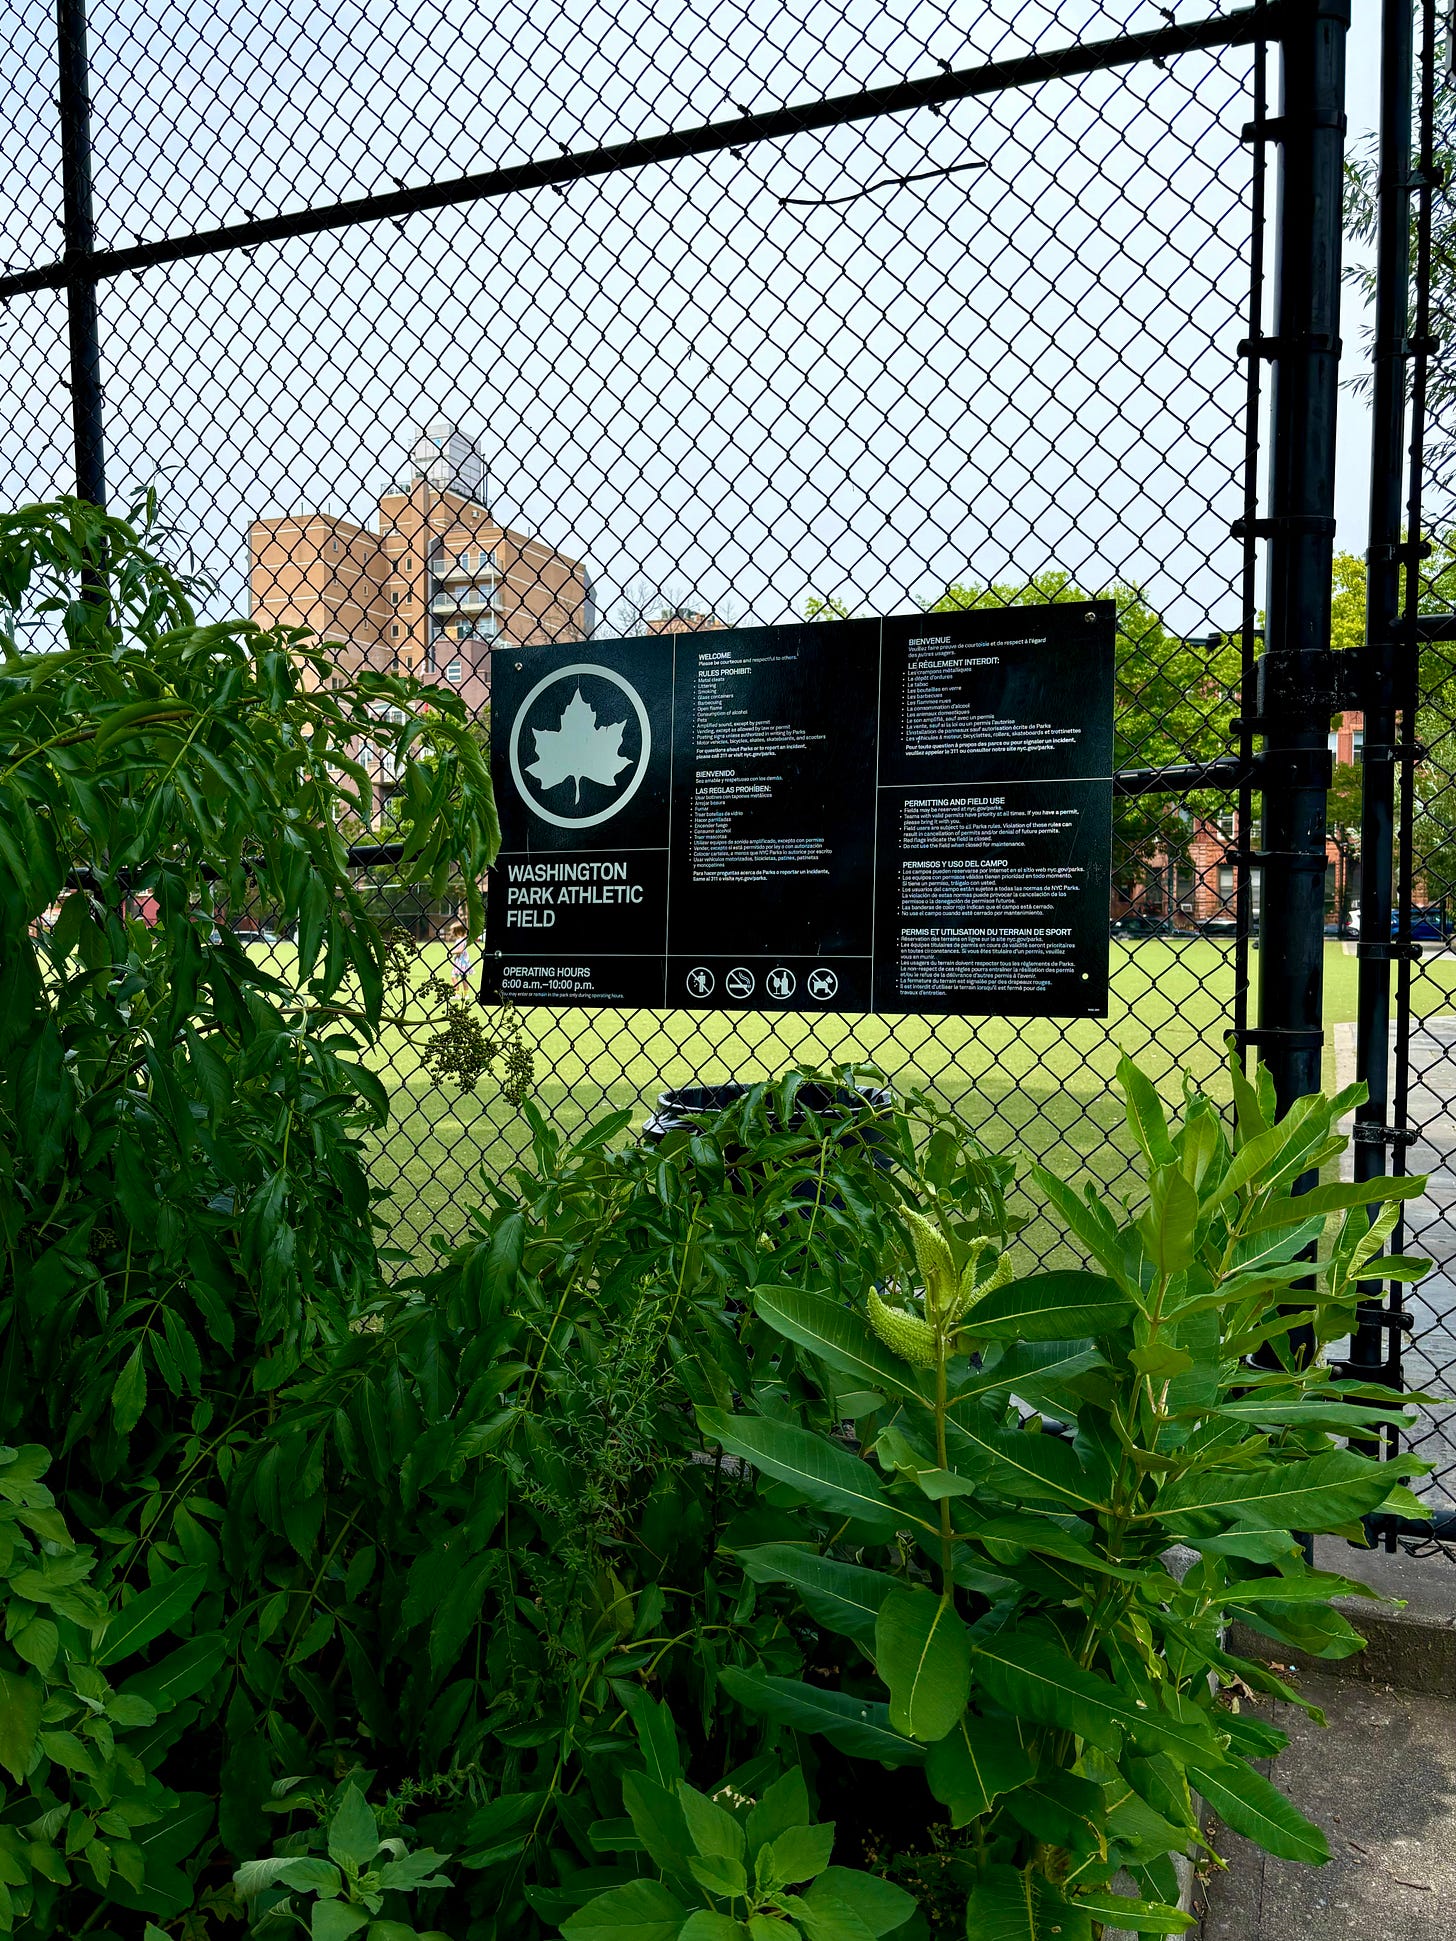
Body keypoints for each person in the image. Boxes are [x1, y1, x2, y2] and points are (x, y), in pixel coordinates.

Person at [446, 920, 472, 994]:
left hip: (461, 962)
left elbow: (460, 950)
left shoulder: (461, 940)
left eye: (453, 931)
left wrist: (451, 952)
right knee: (463, 979)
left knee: (454, 977)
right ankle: (465, 995)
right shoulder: (463, 940)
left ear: (459, 932)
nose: (452, 933)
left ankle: (456, 994)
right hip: (462, 962)